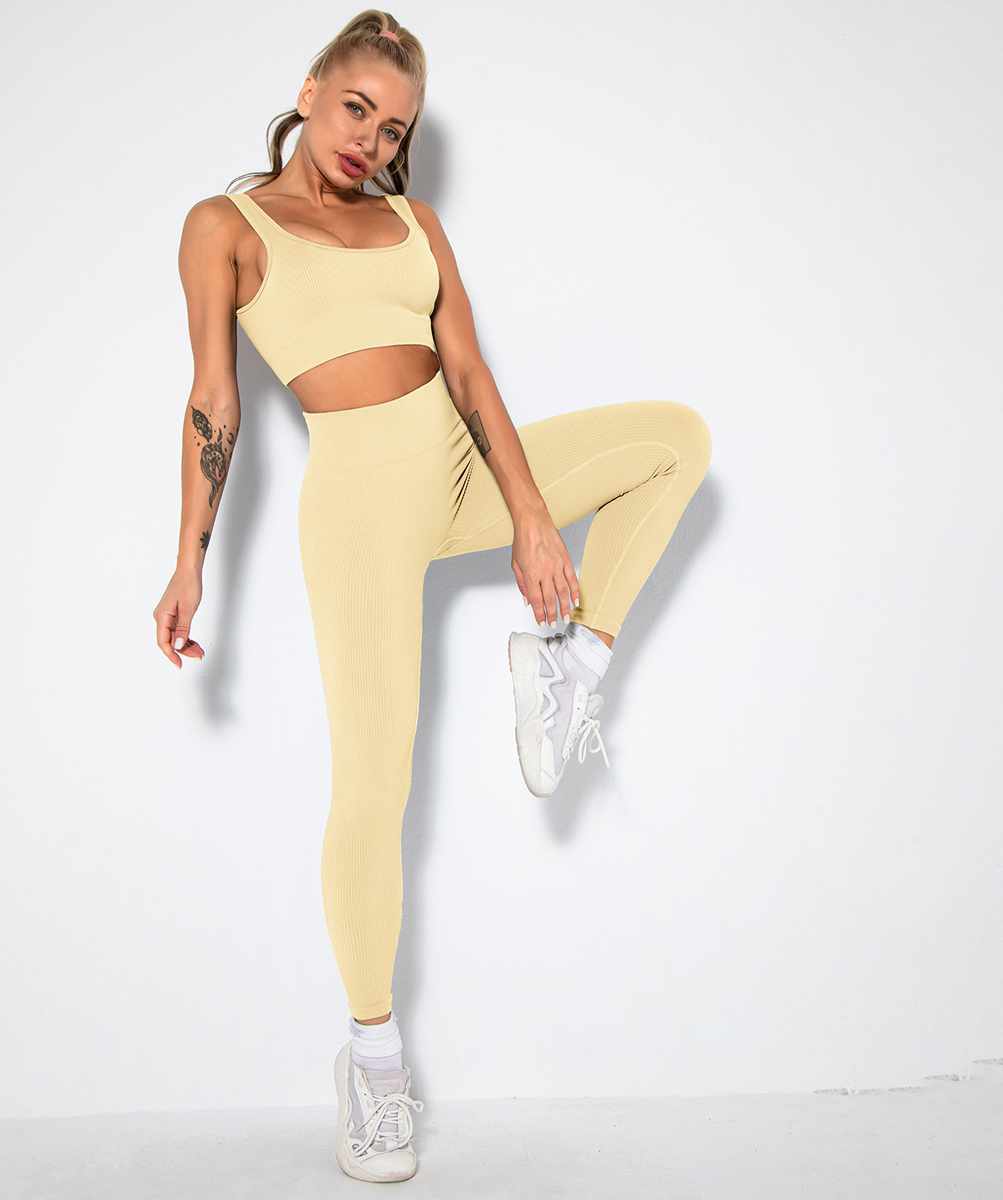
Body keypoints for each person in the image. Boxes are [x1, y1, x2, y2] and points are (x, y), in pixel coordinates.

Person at [152, 9, 711, 1184]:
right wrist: (191, 557)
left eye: (394, 127)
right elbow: (215, 398)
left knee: (675, 441)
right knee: (377, 784)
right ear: (311, 91)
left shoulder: (416, 223)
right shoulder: (228, 226)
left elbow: (468, 370)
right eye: (357, 107)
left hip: (458, 467)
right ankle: (374, 1061)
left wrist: (530, 516)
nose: (371, 138)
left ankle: (573, 663)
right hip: (357, 502)